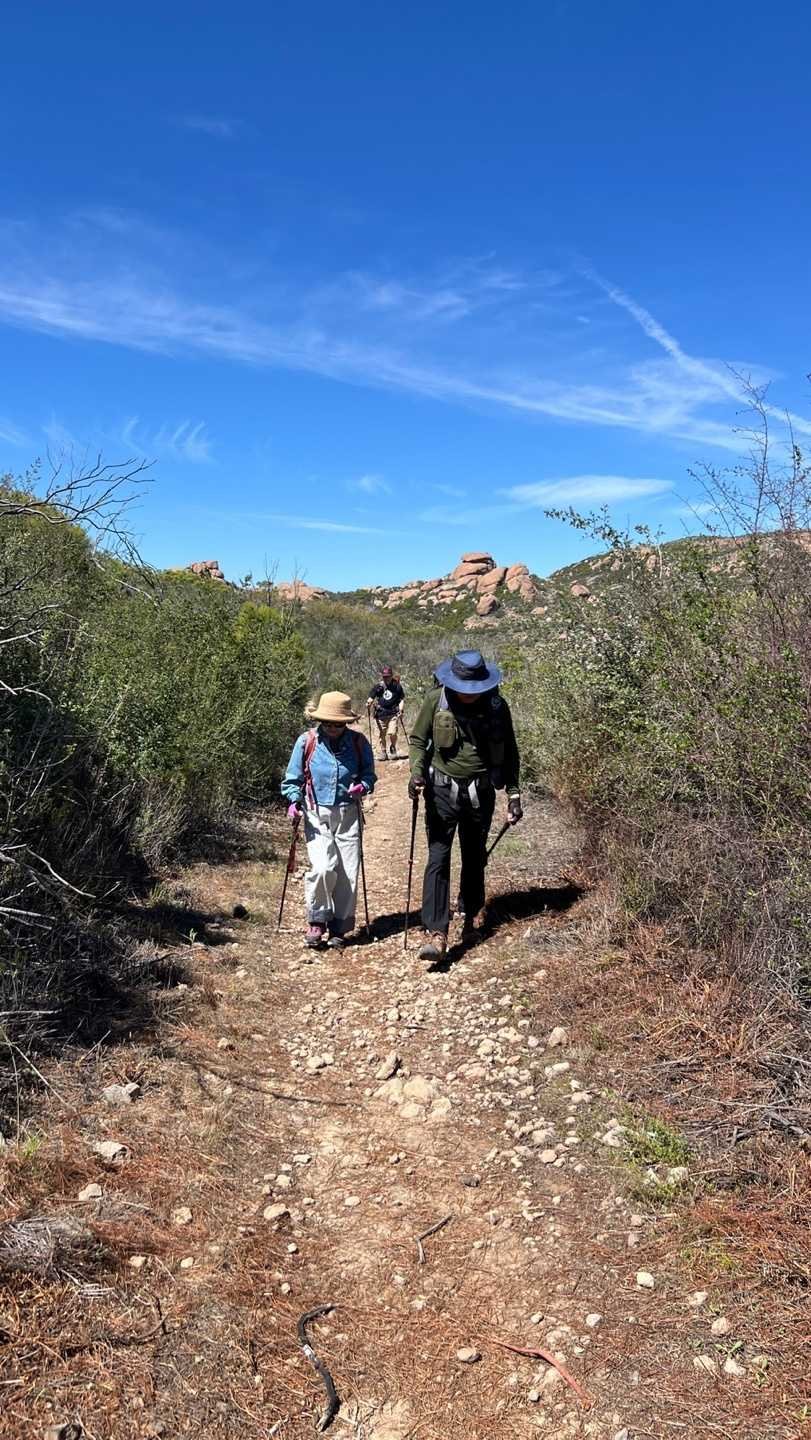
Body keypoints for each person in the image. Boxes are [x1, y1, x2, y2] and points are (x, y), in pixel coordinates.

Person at [408, 650, 522, 961]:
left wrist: (513, 794)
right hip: (440, 791)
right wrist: (417, 772)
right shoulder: (436, 700)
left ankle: (470, 917)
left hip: (480, 794)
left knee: (474, 857)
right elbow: (418, 740)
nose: (468, 694)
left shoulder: (497, 707)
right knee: (438, 856)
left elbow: (510, 751)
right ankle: (437, 932)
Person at [282, 692, 376, 948]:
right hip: (316, 813)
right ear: (320, 720)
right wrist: (294, 801)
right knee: (323, 867)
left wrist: (364, 786)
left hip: (349, 814)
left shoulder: (358, 742)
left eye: (338, 723)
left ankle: (340, 927)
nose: (333, 728)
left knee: (347, 872)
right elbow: (292, 779)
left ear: (346, 722)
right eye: (328, 723)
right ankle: (317, 920)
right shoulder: (307, 741)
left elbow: (369, 774)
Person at [366, 665, 406, 760]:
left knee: (392, 733)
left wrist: (401, 710)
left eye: (388, 676)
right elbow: (371, 697)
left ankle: (393, 747)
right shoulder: (378, 687)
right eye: (384, 676)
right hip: (380, 714)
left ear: (391, 676)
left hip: (393, 714)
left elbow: (401, 699)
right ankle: (383, 752)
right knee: (381, 734)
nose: (386, 678)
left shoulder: (397, 686)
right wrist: (368, 703)